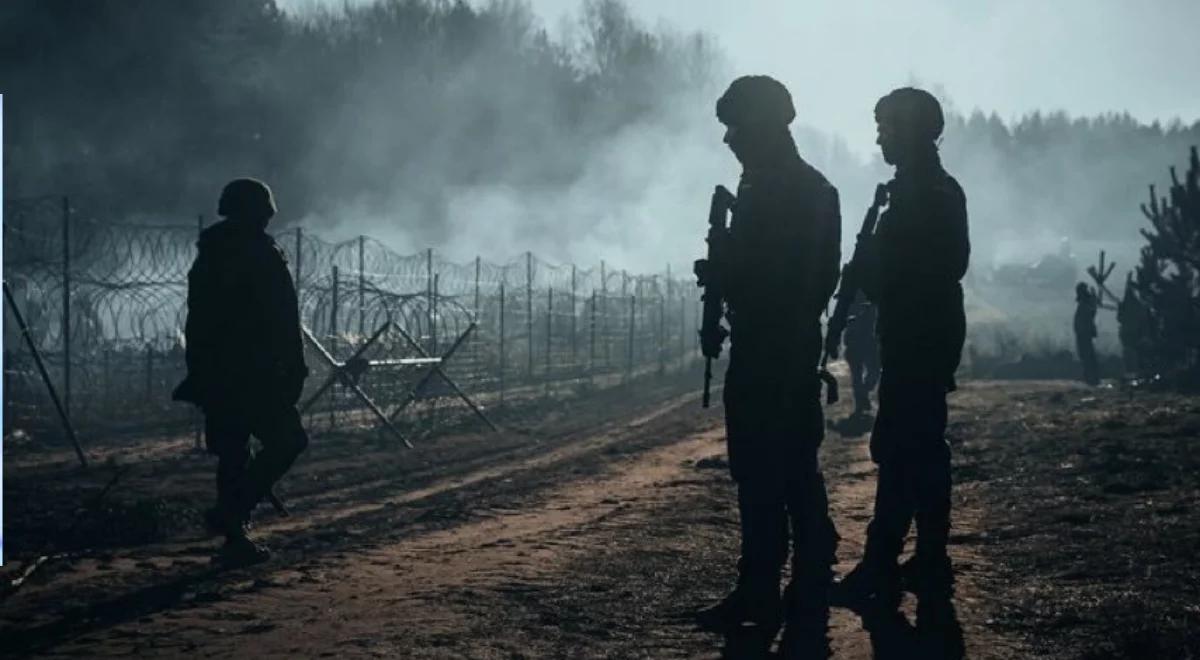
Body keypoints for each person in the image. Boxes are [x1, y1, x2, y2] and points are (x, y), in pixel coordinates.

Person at [693, 75, 842, 635]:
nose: (730, 139)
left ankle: (795, 585)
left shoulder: (804, 192)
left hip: (780, 349)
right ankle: (767, 587)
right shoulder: (763, 190)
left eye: (737, 127)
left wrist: (734, 274)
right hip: (762, 345)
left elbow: (807, 281)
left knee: (782, 472)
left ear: (763, 128)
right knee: (762, 471)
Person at [837, 87, 969, 612]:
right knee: (919, 447)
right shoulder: (919, 189)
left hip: (921, 335)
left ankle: (883, 563)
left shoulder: (928, 192)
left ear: (909, 131)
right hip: (917, 333)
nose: (878, 137)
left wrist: (874, 269)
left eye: (886, 128)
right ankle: (927, 559)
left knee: (899, 447)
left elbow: (943, 265)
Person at [173, 178, 310, 565]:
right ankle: (233, 514)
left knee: (233, 452)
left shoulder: (213, 252)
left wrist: (199, 371)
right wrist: (294, 364)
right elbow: (282, 316)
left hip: (220, 371)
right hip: (256, 372)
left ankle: (233, 532)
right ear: (256, 211)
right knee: (287, 441)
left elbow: (197, 321)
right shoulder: (257, 252)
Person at [843, 292, 881, 414]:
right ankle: (860, 401)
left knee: (873, 372)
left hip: (869, 342)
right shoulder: (851, 303)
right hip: (856, 343)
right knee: (858, 375)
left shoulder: (874, 302)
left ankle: (862, 394)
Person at [1074, 282, 1101, 385]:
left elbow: (1092, 311)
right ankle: (1089, 376)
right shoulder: (1086, 302)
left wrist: (1093, 296)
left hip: (1085, 332)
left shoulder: (1087, 302)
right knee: (1085, 354)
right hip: (1083, 332)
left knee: (1087, 354)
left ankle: (1092, 378)